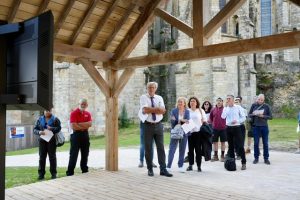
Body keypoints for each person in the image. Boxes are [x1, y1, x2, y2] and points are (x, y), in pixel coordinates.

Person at [139, 82, 172, 177]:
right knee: (148, 148)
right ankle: (150, 169)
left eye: (153, 87)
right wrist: (157, 109)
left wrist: (152, 109)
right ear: (147, 88)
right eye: (149, 87)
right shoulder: (143, 97)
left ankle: (163, 169)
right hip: (147, 125)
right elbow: (145, 110)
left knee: (161, 148)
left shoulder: (159, 98)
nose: (151, 89)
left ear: (155, 89)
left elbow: (163, 111)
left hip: (158, 125)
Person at [66, 99, 92, 176]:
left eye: (84, 104)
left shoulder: (88, 113)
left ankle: (84, 169)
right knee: (74, 154)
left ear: (87, 105)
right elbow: (73, 126)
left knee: (85, 153)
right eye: (82, 104)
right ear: (79, 104)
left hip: (85, 135)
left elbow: (90, 124)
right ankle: (70, 172)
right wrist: (84, 125)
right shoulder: (73, 113)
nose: (83, 105)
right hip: (76, 135)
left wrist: (79, 124)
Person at [33, 109, 61, 180]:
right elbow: (35, 129)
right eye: (46, 110)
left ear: (51, 111)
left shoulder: (55, 119)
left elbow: (59, 128)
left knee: (52, 157)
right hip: (42, 141)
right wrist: (39, 132)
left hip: (52, 140)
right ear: (44, 111)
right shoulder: (39, 119)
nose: (47, 112)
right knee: (42, 157)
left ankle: (54, 174)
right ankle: (41, 175)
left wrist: (51, 128)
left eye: (49, 110)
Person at [221, 95, 246, 170]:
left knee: (240, 146)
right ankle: (232, 163)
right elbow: (223, 117)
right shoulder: (226, 108)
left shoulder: (238, 107)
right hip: (228, 128)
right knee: (231, 146)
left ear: (233, 100)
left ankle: (243, 162)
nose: (228, 100)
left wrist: (237, 121)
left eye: (229, 99)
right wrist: (225, 108)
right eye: (227, 99)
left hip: (237, 127)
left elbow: (244, 117)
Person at [167, 97, 190, 173]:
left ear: (184, 103)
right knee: (172, 149)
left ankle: (180, 166)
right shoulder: (174, 110)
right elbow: (172, 121)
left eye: (181, 102)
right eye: (179, 102)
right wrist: (181, 120)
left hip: (184, 133)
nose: (180, 103)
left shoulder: (187, 111)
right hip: (175, 132)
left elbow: (188, 121)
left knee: (182, 150)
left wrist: (179, 120)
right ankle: (168, 166)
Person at [249, 94, 272, 165]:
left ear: (263, 100)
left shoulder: (266, 106)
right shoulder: (253, 105)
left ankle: (266, 158)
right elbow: (249, 114)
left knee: (265, 143)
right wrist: (253, 114)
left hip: (264, 127)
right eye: (259, 99)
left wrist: (263, 116)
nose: (260, 101)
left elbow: (271, 117)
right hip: (256, 126)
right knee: (256, 143)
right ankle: (256, 158)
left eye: (261, 100)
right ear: (257, 99)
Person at [186, 97, 207, 172]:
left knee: (198, 150)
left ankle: (199, 166)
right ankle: (190, 165)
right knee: (190, 150)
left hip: (198, 133)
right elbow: (184, 120)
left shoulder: (200, 110)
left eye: (194, 101)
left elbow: (205, 120)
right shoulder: (187, 111)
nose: (192, 102)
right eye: (191, 101)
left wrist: (203, 121)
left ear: (196, 102)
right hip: (190, 133)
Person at [209, 97, 227, 162]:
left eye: (220, 101)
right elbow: (210, 118)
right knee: (215, 142)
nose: (219, 102)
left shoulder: (225, 109)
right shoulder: (213, 109)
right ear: (216, 102)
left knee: (223, 142)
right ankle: (215, 156)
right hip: (215, 129)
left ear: (222, 102)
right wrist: (212, 125)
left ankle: (222, 156)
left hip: (223, 129)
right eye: (217, 101)